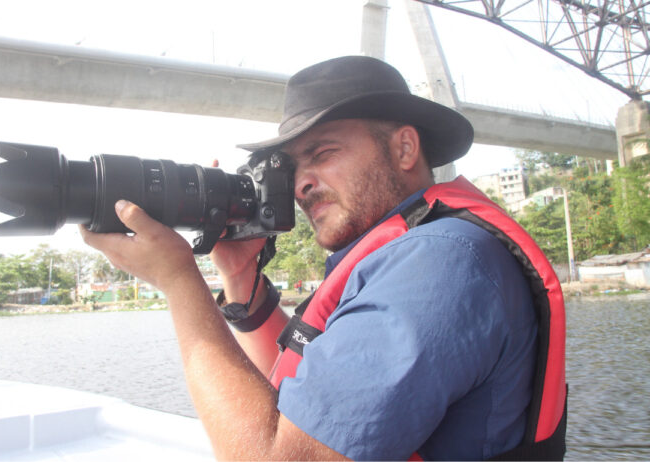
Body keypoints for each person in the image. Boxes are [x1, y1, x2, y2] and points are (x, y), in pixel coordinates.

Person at [82, 56, 566, 460]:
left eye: (323, 153)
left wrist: (179, 280)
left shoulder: (441, 264)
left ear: (403, 148)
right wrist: (238, 274)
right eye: (294, 167)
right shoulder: (414, 251)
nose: (300, 183)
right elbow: (303, 396)